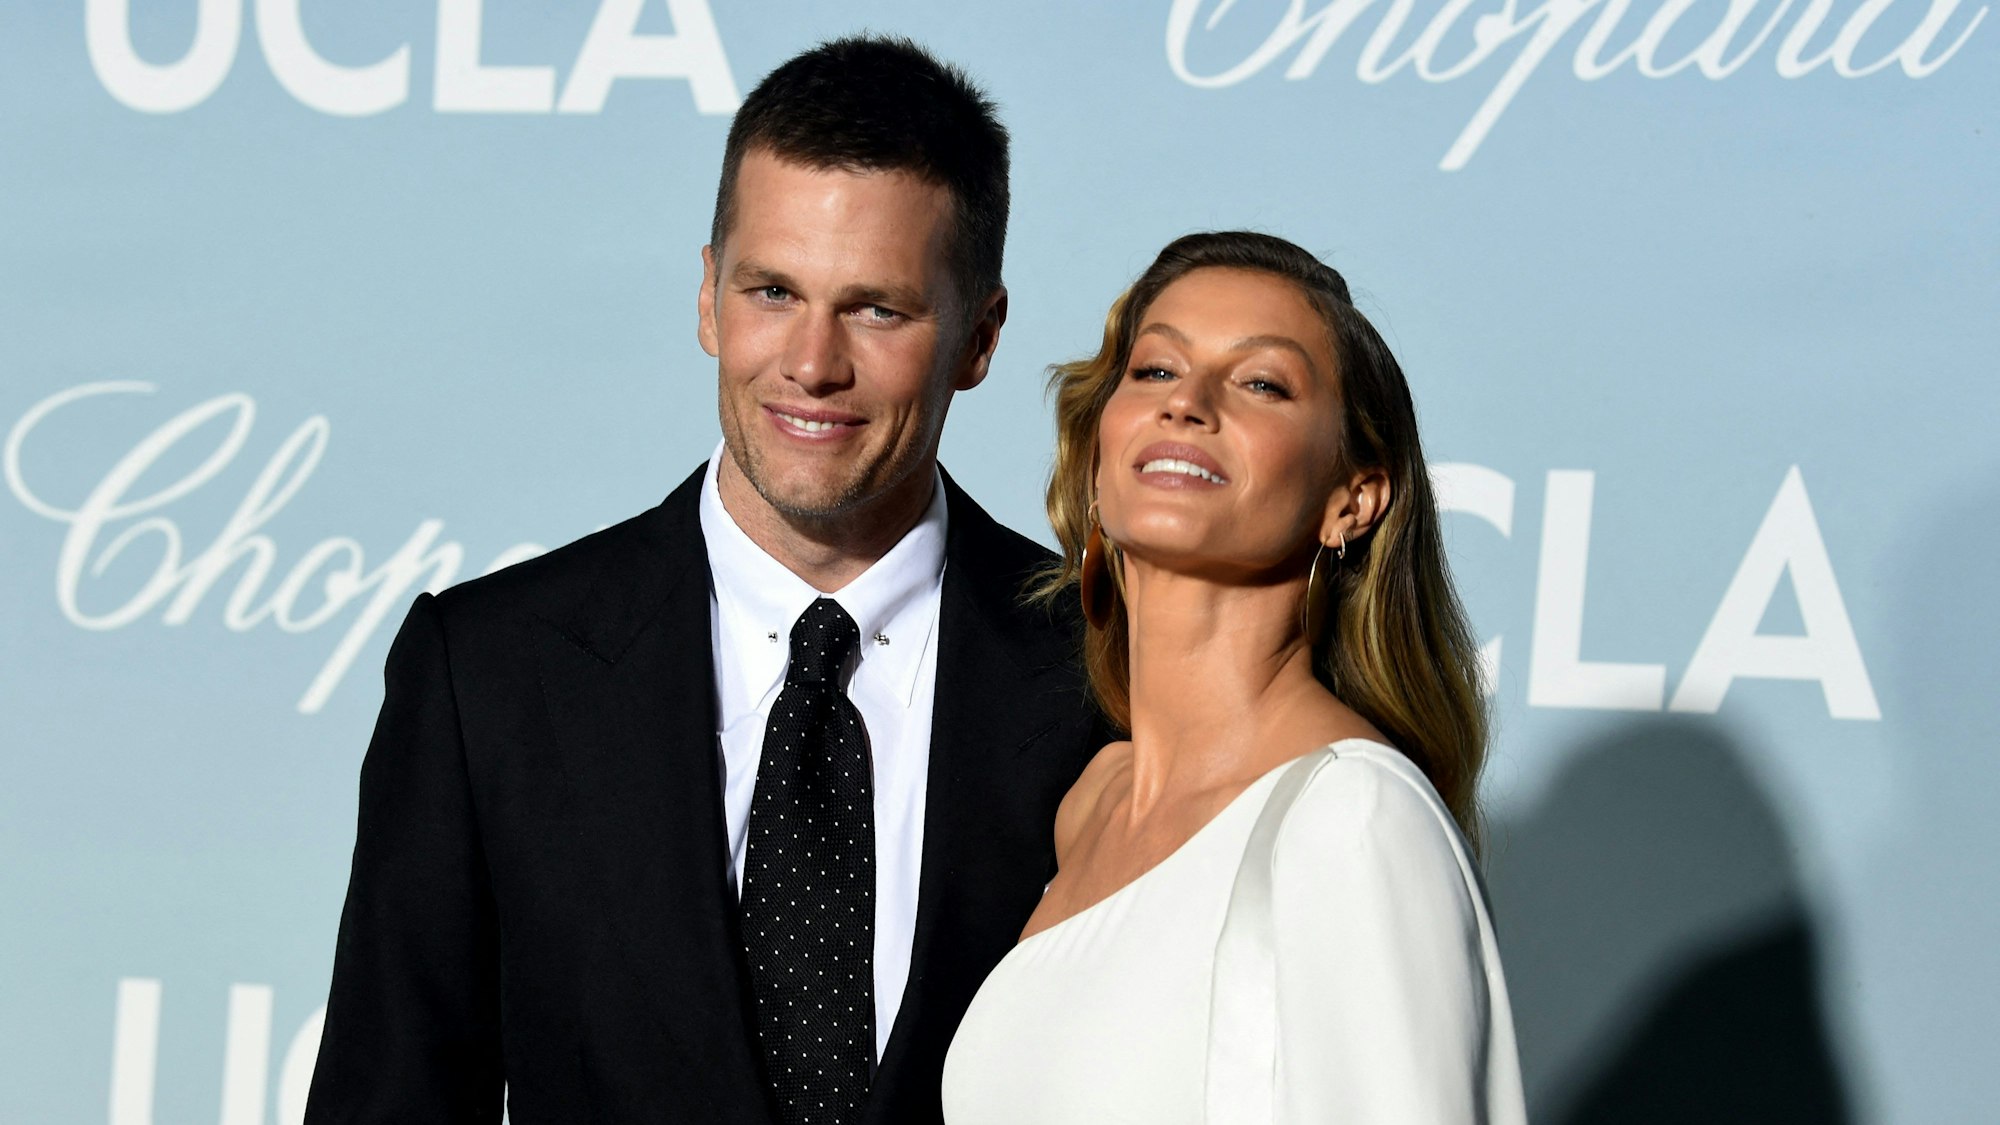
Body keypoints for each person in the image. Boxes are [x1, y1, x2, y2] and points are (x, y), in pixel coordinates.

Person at [304, 37, 1104, 1125]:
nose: (811, 362)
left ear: (979, 337)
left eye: (876, 309)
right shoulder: (490, 673)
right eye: (771, 290)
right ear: (705, 298)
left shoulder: (1109, 669)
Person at [940, 231, 1527, 1123]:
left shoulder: (1353, 820)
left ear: (1353, 498)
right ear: (1100, 453)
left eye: (1262, 383)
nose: (1189, 404)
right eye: (1154, 370)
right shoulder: (1091, 804)